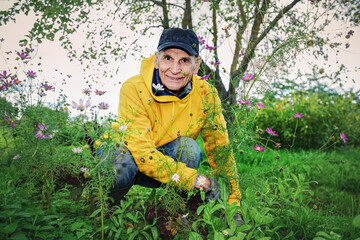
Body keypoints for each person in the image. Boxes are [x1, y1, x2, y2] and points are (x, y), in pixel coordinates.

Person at [97, 28, 243, 225]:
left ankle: (169, 212)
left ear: (196, 64)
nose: (175, 69)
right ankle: (106, 208)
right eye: (168, 58)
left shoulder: (206, 94)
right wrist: (197, 180)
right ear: (156, 59)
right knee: (118, 161)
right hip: (128, 158)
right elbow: (141, 151)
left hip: (168, 165)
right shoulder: (133, 88)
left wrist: (233, 202)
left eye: (184, 60)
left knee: (189, 149)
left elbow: (221, 150)